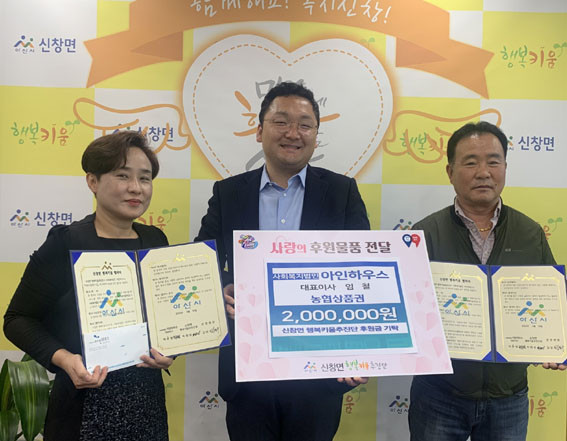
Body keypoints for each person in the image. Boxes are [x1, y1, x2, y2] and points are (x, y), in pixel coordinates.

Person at [195, 81, 370, 441]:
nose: (293, 133)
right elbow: (202, 260)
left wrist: (359, 353)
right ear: (260, 130)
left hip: (318, 373)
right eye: (281, 122)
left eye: (305, 124)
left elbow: (363, 274)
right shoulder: (229, 192)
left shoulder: (342, 192)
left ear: (316, 136)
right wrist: (221, 287)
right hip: (248, 373)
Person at [4, 131, 173, 440]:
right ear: (93, 181)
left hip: (145, 402)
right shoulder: (67, 242)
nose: (136, 188)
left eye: (145, 178)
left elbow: (168, 313)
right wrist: (65, 359)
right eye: (123, 176)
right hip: (83, 402)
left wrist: (172, 349)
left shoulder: (155, 240)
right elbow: (18, 319)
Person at [408, 121, 566, 441]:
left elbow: (551, 304)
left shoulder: (530, 232)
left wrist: (554, 343)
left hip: (508, 397)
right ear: (450, 171)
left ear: (505, 167)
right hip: (440, 394)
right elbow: (409, 310)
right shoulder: (423, 233)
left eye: (493, 161)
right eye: (470, 162)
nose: (483, 172)